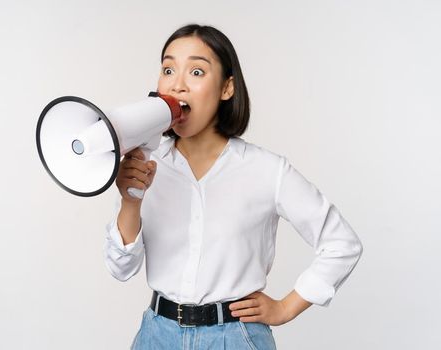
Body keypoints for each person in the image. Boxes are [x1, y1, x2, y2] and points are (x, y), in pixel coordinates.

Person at [104, 24, 363, 350]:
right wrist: (131, 201)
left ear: (227, 88)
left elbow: (342, 243)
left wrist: (286, 307)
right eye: (168, 69)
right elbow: (121, 268)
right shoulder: (144, 163)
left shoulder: (267, 170)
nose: (178, 84)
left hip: (235, 338)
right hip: (157, 336)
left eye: (196, 71)